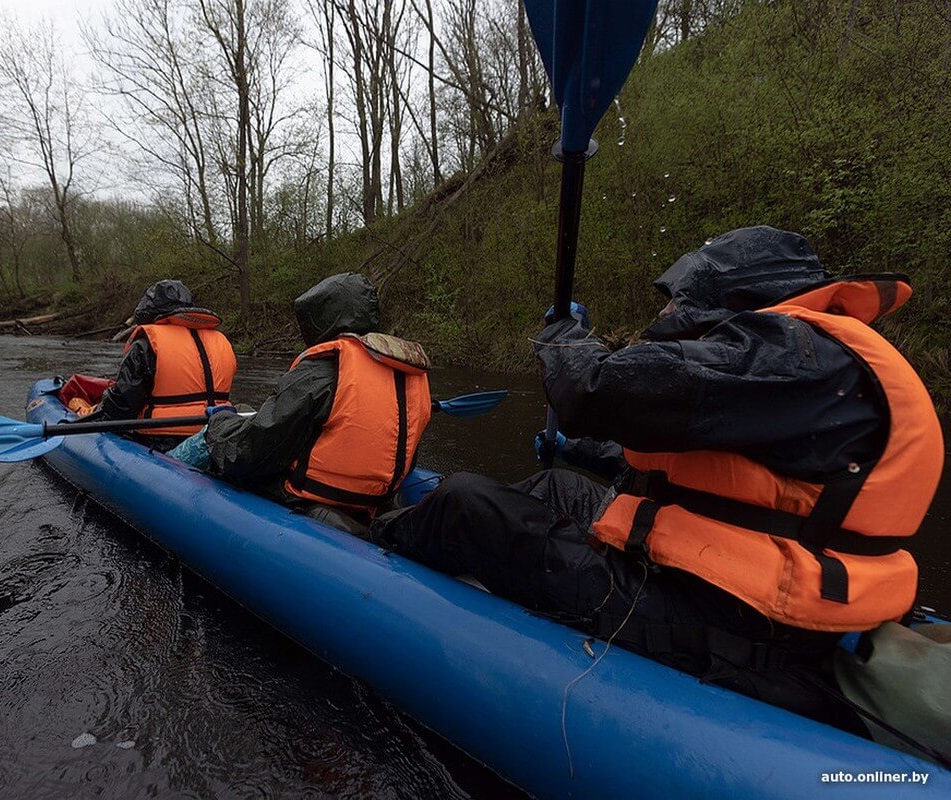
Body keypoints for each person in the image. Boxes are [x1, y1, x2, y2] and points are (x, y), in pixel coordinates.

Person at [371, 226, 944, 728]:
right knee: (557, 486)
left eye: (678, 301)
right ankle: (446, 545)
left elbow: (591, 389)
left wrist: (565, 338)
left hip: (742, 623)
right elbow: (703, 478)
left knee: (465, 501)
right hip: (741, 590)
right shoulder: (811, 357)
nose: (669, 311)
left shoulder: (789, 351)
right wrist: (575, 449)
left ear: (735, 293)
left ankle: (373, 541)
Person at [200, 273, 433, 530]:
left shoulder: (321, 370)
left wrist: (218, 425)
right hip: (376, 499)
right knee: (245, 416)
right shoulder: (410, 373)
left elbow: (252, 453)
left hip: (310, 496)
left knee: (225, 457)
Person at [74, 279, 237, 450]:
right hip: (216, 431)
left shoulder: (146, 344)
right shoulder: (221, 340)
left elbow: (122, 406)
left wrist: (98, 414)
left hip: (160, 438)